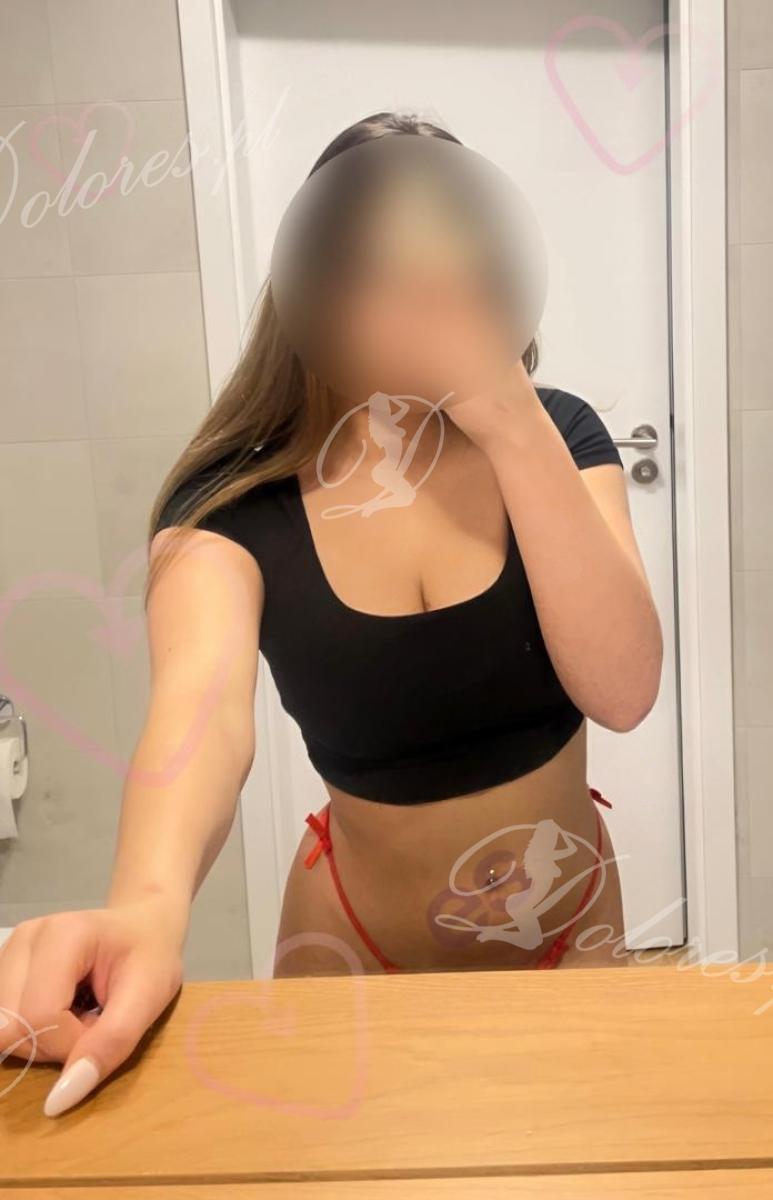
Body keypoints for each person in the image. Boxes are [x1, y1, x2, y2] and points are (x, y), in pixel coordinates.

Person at [0, 112, 663, 1118]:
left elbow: (621, 689)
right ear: (317, 292)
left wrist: (505, 416)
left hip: (570, 931)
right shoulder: (233, 504)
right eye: (386, 266)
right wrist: (146, 905)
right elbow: (199, 719)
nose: (430, 295)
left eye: (457, 256)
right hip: (351, 951)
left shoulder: (560, 434)